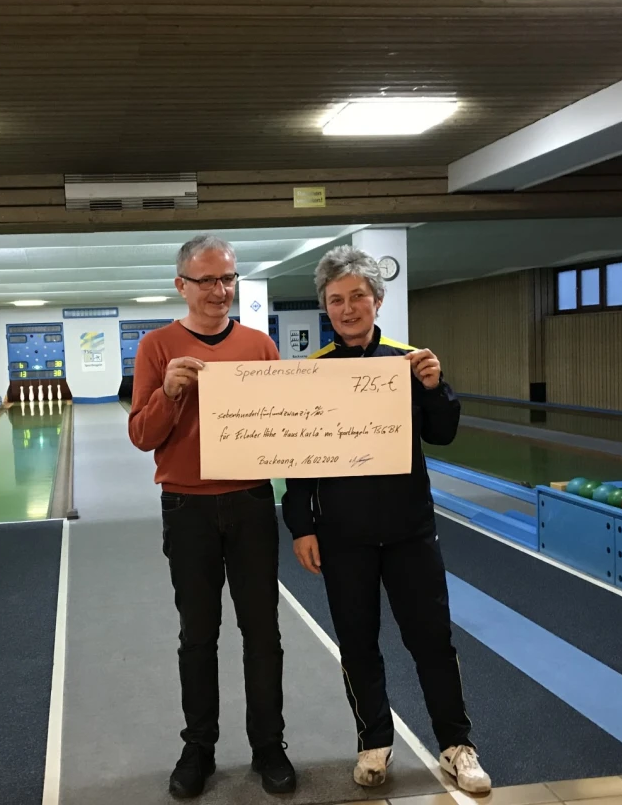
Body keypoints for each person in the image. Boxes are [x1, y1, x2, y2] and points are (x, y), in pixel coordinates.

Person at [281, 245, 491, 795]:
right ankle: (374, 741)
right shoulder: (314, 372)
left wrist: (436, 387)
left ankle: (456, 746)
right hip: (342, 536)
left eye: (357, 296)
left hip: (409, 532)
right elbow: (300, 462)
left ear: (377, 299)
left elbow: (442, 432)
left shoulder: (409, 361)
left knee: (432, 641)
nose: (347, 308)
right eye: (336, 300)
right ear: (325, 308)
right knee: (357, 642)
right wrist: (301, 524)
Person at [128, 234, 297, 799]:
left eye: (227, 279)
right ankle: (198, 747)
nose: (219, 290)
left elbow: (280, 429)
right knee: (198, 635)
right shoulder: (157, 347)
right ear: (182, 285)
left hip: (250, 502)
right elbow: (142, 436)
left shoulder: (259, 346)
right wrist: (170, 392)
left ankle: (268, 746)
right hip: (187, 506)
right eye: (207, 280)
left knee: (262, 634)